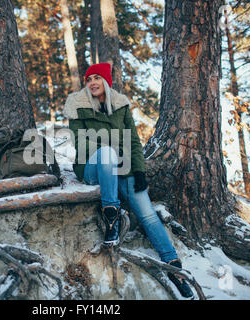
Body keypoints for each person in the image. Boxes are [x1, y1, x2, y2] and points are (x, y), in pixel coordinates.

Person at [63, 63, 193, 298]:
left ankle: (174, 268)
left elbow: (133, 141)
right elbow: (80, 143)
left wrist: (139, 171)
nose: (92, 82)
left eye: (97, 78)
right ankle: (111, 216)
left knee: (147, 213)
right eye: (89, 78)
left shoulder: (121, 106)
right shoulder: (77, 105)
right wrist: (110, 148)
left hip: (124, 168)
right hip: (93, 166)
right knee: (107, 154)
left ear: (106, 81)